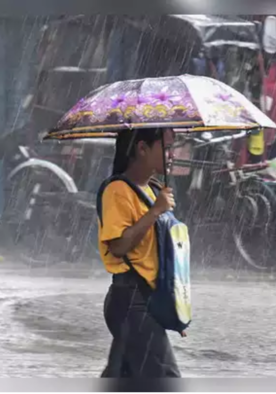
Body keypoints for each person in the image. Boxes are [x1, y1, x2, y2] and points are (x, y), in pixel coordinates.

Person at [99, 128, 183, 378]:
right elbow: (119, 247)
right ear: (142, 148)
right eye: (166, 148)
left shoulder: (154, 189)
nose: (172, 155)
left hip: (148, 300)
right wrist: (155, 211)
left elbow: (158, 256)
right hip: (130, 301)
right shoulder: (117, 190)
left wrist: (175, 308)